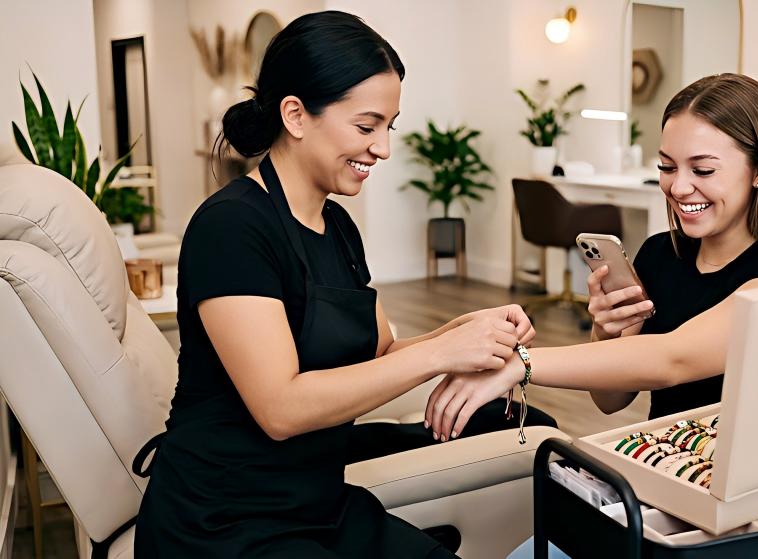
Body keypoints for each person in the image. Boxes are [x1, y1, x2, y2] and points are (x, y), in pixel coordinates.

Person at [134, 11, 547, 557]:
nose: (383, 149)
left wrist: (471, 333)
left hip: (317, 497)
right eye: (366, 126)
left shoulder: (338, 226)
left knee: (520, 424)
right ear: (296, 115)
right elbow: (280, 408)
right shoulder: (231, 227)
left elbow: (381, 353)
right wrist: (443, 351)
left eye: (389, 127)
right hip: (225, 515)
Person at [425, 73, 758, 443]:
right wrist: (609, 333)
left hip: (741, 495)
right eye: (667, 166)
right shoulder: (659, 255)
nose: (679, 186)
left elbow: (672, 360)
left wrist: (521, 364)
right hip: (664, 464)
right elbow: (611, 400)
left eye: (703, 169)